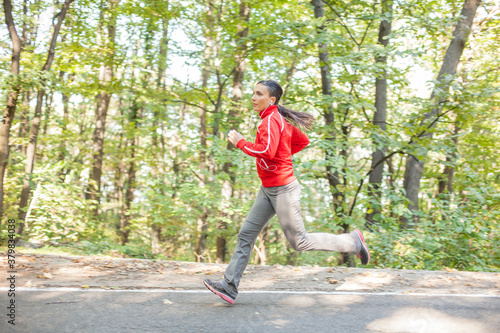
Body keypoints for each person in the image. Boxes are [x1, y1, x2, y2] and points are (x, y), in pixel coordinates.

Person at [203, 79, 370, 305]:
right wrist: (283, 155)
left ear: (271, 99)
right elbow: (302, 141)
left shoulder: (271, 121)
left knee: (300, 242)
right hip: (268, 189)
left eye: (258, 94)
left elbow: (267, 150)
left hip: (283, 190)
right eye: (253, 93)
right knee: (246, 235)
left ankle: (353, 243)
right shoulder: (275, 120)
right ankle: (229, 286)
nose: (253, 97)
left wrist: (242, 143)